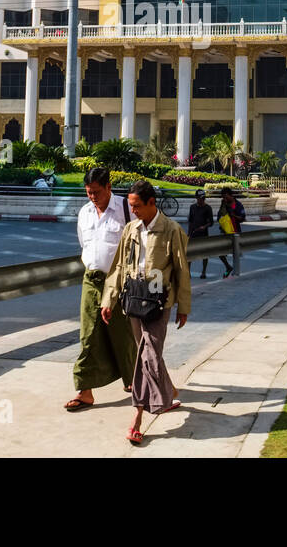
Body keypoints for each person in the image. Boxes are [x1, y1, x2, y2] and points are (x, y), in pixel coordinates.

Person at [102, 179, 190, 445]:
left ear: (152, 203)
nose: (134, 211)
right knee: (148, 353)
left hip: (158, 304)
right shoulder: (130, 229)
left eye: (137, 206)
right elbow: (118, 267)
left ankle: (137, 418)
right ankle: (168, 393)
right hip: (133, 300)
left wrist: (183, 307)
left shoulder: (171, 230)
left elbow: (181, 271)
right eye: (131, 206)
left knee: (147, 356)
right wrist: (109, 299)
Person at [64, 167, 137, 412]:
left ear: (108, 186)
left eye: (96, 192)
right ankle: (85, 390)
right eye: (88, 192)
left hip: (120, 282)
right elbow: (84, 244)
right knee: (88, 335)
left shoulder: (126, 209)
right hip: (92, 280)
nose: (93, 197)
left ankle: (134, 381)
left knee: (122, 334)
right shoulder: (84, 213)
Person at [187, 189, 232, 280]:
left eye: (203, 198)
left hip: (203, 234)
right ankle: (188, 272)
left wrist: (204, 226)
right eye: (200, 198)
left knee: (205, 254)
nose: (202, 200)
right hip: (193, 233)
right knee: (190, 254)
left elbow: (211, 222)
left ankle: (203, 272)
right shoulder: (192, 207)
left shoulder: (208, 208)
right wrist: (189, 233)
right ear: (196, 198)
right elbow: (191, 221)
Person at [216, 187, 244, 278]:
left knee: (235, 253)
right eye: (223, 197)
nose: (225, 199)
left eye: (226, 197)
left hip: (235, 232)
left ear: (230, 195)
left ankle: (235, 271)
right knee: (220, 252)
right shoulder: (223, 204)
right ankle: (228, 267)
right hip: (224, 232)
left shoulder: (238, 205)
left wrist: (234, 215)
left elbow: (242, 218)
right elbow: (219, 217)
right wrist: (223, 206)